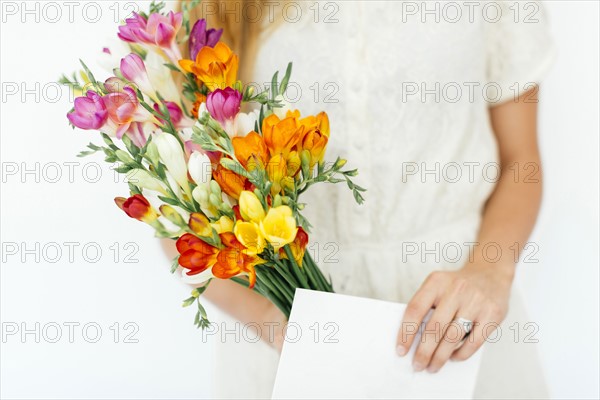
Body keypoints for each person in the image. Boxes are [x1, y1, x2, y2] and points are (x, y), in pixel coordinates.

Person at [165, 1, 556, 398]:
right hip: (288, 334)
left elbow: (520, 162)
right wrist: (276, 323)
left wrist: (490, 273)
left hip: (463, 321)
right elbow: (177, 205)